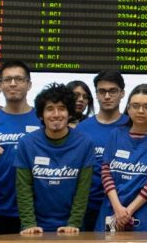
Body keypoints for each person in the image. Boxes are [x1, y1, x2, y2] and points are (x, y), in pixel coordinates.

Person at [14, 83, 94, 235]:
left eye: (62, 108)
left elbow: (83, 190)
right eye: (50, 109)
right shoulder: (27, 143)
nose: (56, 114)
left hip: (72, 228)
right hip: (34, 228)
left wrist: (74, 223)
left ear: (70, 113)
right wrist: (29, 223)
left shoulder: (85, 143)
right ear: (41, 115)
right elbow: (23, 188)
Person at [96, 84, 147, 232]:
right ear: (128, 108)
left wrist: (128, 211)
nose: (141, 111)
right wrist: (118, 209)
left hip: (143, 209)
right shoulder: (116, 134)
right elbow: (106, 172)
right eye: (136, 106)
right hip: (112, 206)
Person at [0, 60, 38, 235]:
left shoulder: (43, 120)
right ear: (0, 85)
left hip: (37, 208)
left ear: (29, 84)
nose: (13, 84)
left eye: (19, 79)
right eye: (8, 79)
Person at [76, 70, 129, 232]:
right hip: (87, 204)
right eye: (102, 91)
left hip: (121, 205)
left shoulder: (131, 126)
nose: (107, 96)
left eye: (112, 91)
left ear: (122, 93)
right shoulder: (82, 128)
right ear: (96, 94)